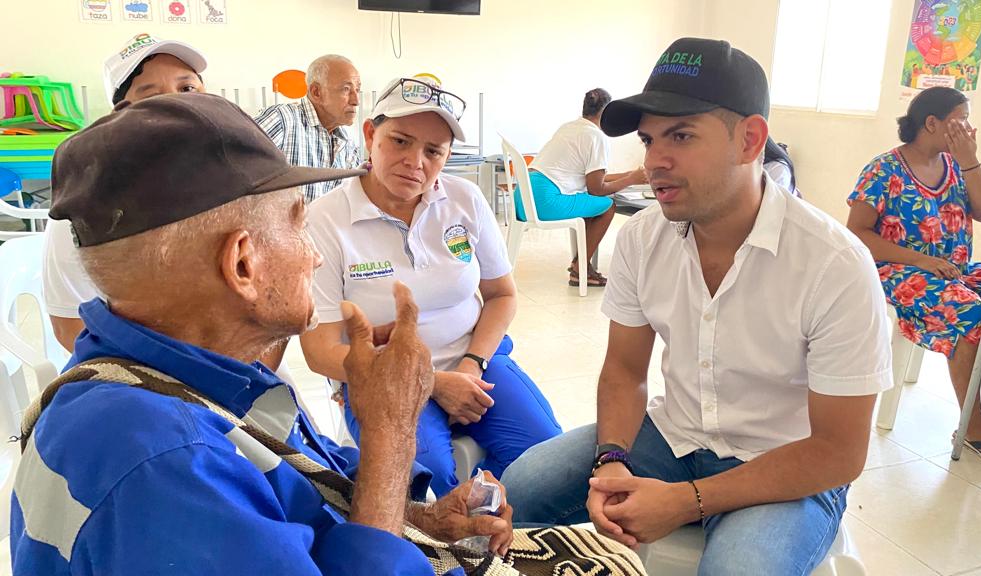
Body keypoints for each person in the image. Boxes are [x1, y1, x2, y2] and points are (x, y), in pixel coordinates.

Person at [12, 93, 514, 574]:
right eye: (297, 225)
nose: (315, 256)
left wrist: (426, 520)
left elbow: (308, 496)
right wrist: (390, 432)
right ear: (243, 264)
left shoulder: (202, 374)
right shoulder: (165, 464)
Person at [502, 37, 892, 575]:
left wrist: (687, 502)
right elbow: (623, 371)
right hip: (673, 435)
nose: (654, 162)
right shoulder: (643, 237)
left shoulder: (834, 264)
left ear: (750, 140)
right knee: (520, 488)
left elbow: (838, 451)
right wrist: (612, 458)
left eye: (681, 136)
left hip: (787, 464)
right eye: (648, 139)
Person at [300, 76, 562, 497]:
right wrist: (434, 383)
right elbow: (320, 350)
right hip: (385, 376)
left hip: (476, 358)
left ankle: (496, 525)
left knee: (546, 462)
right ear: (370, 135)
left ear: (447, 156)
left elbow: (502, 295)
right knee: (426, 480)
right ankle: (455, 536)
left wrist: (470, 366)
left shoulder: (464, 199)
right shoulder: (326, 220)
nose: (415, 162)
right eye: (400, 141)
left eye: (433, 151)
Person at [846, 86, 981, 469]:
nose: (970, 129)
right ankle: (973, 428)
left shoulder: (957, 165)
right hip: (899, 271)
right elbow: (857, 234)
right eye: (962, 120)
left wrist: (971, 163)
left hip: (955, 269)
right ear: (932, 123)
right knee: (971, 315)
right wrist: (921, 261)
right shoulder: (884, 169)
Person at [44, 33, 206, 354]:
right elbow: (69, 326)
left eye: (187, 88)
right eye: (151, 95)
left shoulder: (237, 178)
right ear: (121, 113)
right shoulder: (84, 207)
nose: (177, 103)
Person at [514, 88, 647, 287]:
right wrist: (630, 180)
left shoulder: (568, 128)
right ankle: (579, 268)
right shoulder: (596, 136)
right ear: (605, 112)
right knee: (607, 206)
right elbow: (597, 189)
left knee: (590, 204)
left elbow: (592, 179)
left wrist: (631, 175)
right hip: (543, 202)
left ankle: (581, 265)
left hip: (523, 199)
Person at [255, 54, 362, 204]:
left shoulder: (348, 142)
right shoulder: (283, 119)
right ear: (316, 92)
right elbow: (234, 164)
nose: (356, 100)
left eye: (357, 90)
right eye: (346, 89)